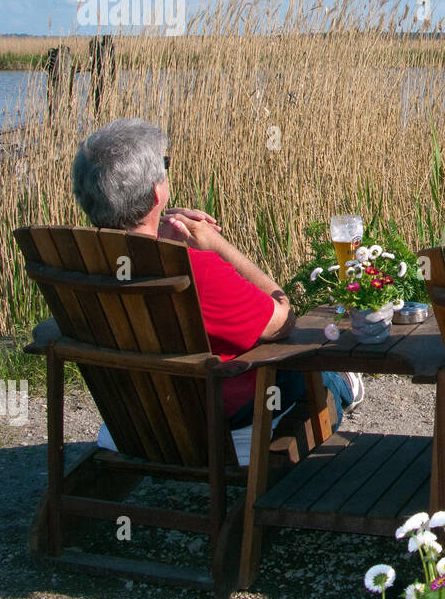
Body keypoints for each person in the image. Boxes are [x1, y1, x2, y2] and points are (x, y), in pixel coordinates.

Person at [71, 119, 355, 459]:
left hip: (132, 415)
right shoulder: (194, 270)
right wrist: (217, 245)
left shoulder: (73, 263)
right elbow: (283, 320)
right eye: (164, 165)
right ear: (156, 191)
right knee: (329, 381)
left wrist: (163, 237)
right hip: (221, 418)